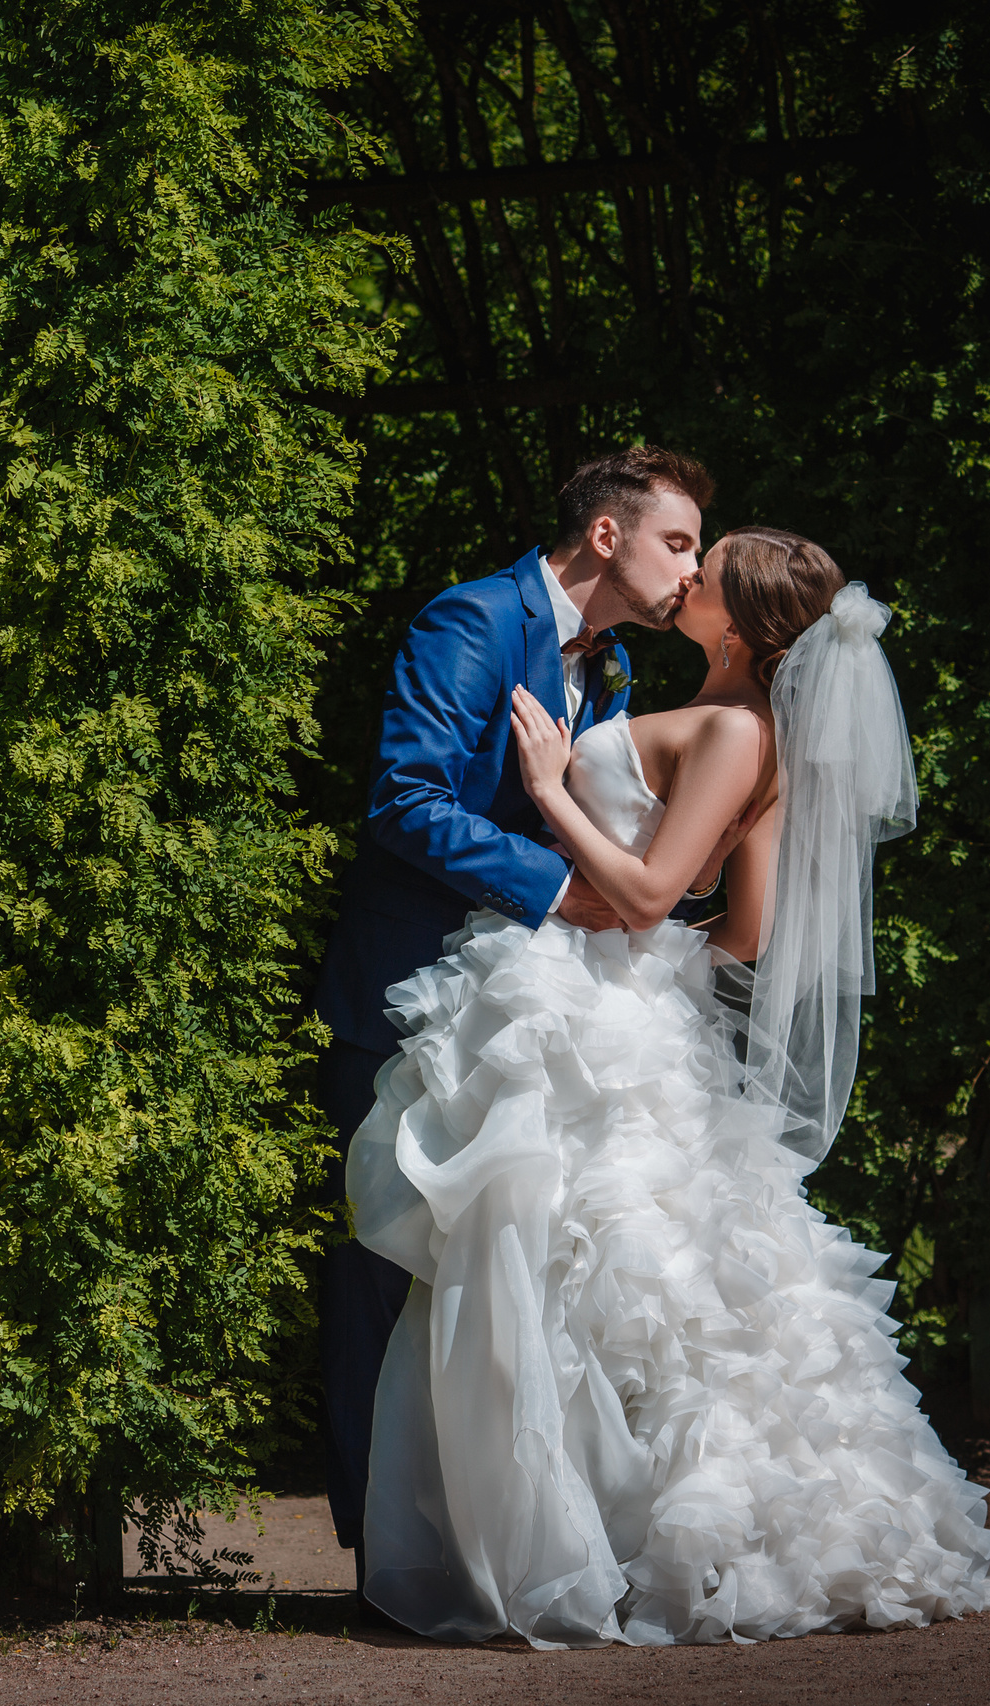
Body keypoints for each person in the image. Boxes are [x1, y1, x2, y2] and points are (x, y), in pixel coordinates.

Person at [345, 526, 990, 1645]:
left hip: (602, 993)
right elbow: (741, 930)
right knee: (626, 1275)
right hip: (631, 1007)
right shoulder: (761, 736)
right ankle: (618, 1517)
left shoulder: (737, 730)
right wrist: (649, 943)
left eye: (707, 566)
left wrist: (551, 790)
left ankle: (601, 1533)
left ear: (735, 619)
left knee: (590, 1272)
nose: (686, 576)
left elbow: (642, 898)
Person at [310, 446, 720, 1603]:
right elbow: (405, 797)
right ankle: (380, 1558)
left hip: (525, 1005)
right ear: (607, 536)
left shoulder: (617, 664)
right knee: (385, 1268)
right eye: (677, 541)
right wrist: (560, 891)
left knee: (514, 1271)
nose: (690, 568)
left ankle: (488, 1544)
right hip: (410, 995)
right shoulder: (474, 620)